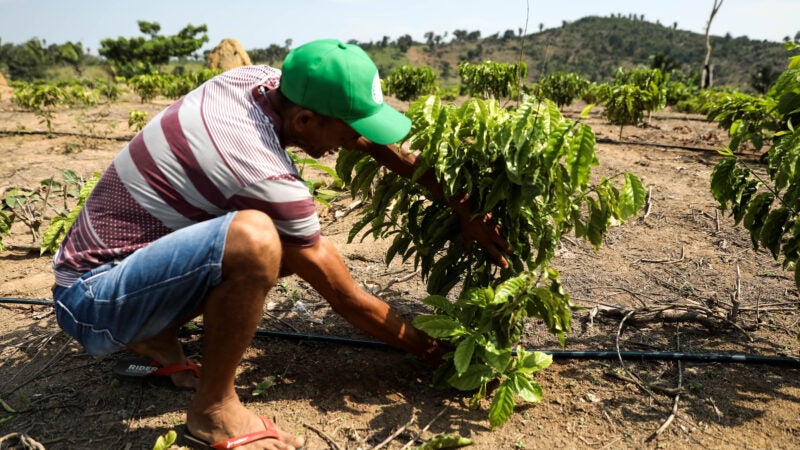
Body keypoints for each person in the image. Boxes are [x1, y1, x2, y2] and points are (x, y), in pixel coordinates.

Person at [52, 39, 510, 450]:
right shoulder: (259, 167)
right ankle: (213, 411)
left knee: (282, 243)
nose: (354, 144)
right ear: (305, 120)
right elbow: (346, 297)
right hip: (91, 300)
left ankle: (155, 334)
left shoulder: (258, 81)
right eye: (348, 132)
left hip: (120, 269)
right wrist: (447, 354)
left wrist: (461, 204)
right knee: (258, 240)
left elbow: (366, 138)